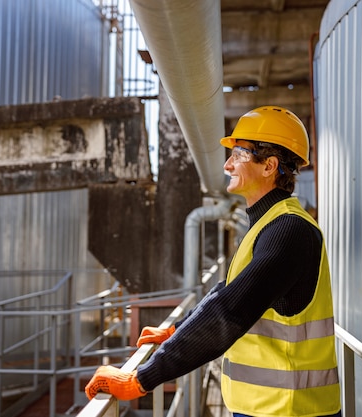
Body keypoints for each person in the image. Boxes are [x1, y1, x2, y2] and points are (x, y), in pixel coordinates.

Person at [85, 105, 342, 417]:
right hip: (269, 407)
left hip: (289, 410)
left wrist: (142, 379)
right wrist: (177, 329)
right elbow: (227, 291)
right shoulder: (269, 224)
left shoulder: (289, 230)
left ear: (269, 166)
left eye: (239, 154)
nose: (227, 165)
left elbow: (230, 309)